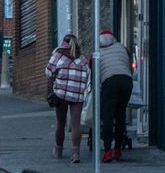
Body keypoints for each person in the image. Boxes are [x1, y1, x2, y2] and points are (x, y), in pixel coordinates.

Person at [45, 34, 90, 163]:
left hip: (61, 94)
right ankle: (75, 153)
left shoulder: (58, 55)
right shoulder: (82, 59)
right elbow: (87, 76)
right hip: (77, 95)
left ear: (63, 43)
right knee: (76, 124)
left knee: (61, 122)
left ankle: (58, 150)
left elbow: (48, 72)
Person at [95, 29, 133, 163]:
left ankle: (107, 151)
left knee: (108, 117)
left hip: (109, 82)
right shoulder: (122, 47)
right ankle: (117, 149)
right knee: (120, 114)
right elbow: (128, 60)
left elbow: (93, 72)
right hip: (126, 81)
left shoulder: (96, 51)